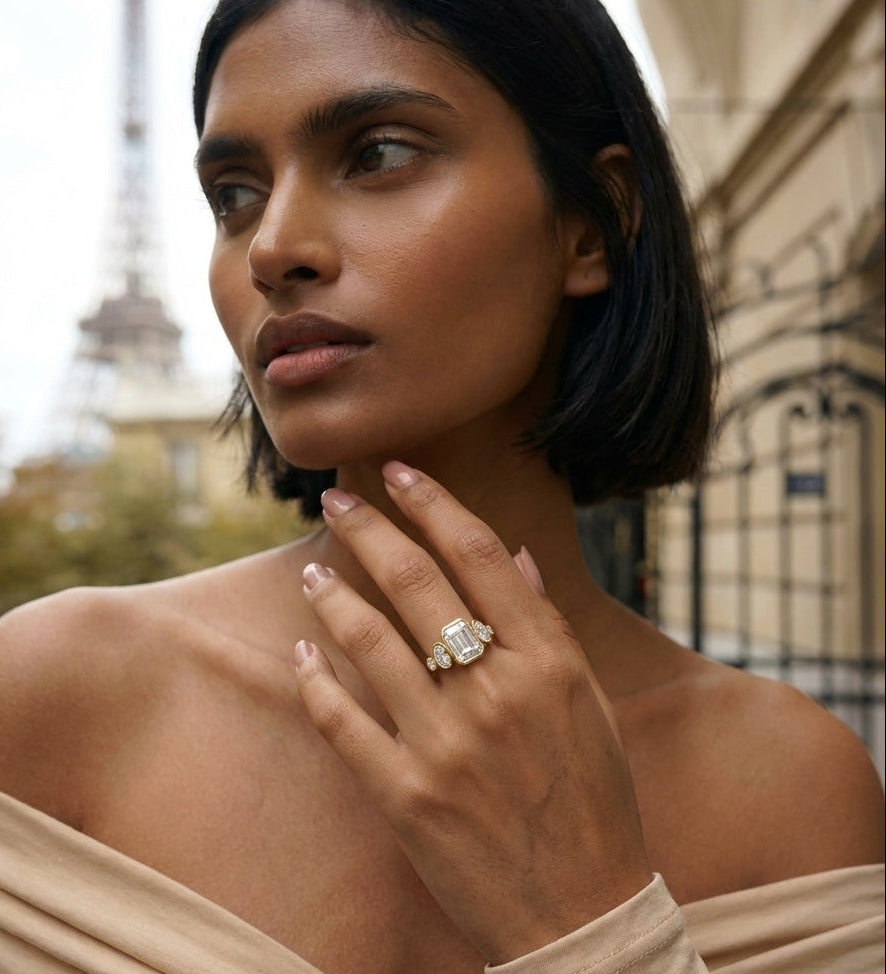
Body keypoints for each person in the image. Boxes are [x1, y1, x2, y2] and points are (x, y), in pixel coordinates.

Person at [0, 0, 883, 971]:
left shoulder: (791, 786)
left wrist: (589, 917)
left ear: (592, 225)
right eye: (235, 193)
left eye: (378, 154)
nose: (271, 247)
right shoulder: (55, 691)